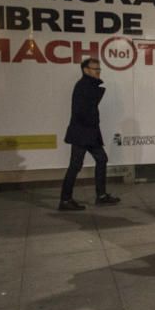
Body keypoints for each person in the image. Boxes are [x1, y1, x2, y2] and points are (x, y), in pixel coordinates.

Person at [59, 58, 121, 210]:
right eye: (95, 69)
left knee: (100, 159)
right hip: (83, 132)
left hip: (87, 132)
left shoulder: (87, 85)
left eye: (99, 69)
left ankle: (100, 196)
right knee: (76, 165)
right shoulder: (84, 86)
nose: (98, 71)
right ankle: (66, 200)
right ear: (86, 70)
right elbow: (83, 110)